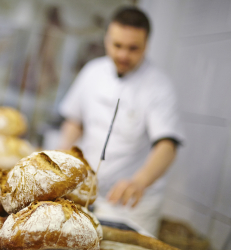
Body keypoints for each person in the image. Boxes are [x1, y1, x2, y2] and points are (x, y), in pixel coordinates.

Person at [58, 7, 184, 236]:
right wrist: (62, 151)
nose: (123, 55)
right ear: (107, 40)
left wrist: (139, 182)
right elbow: (75, 121)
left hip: (131, 205)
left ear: (147, 45)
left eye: (133, 48)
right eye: (117, 46)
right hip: (84, 195)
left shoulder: (159, 86)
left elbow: (168, 145)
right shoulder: (92, 72)